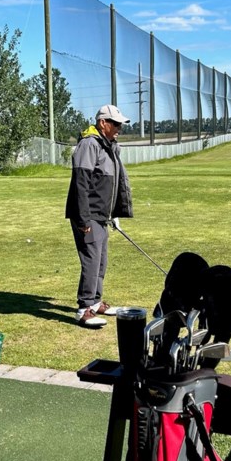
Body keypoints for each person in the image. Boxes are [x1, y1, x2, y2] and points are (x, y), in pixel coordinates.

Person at [65, 105, 134, 328]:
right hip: (88, 215)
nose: (119, 128)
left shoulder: (110, 147)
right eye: (115, 124)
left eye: (120, 124)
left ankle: (95, 302)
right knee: (92, 262)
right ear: (103, 123)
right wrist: (83, 219)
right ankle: (84, 308)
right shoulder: (89, 144)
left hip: (101, 215)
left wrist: (113, 214)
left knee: (101, 261)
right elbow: (81, 184)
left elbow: (111, 185)